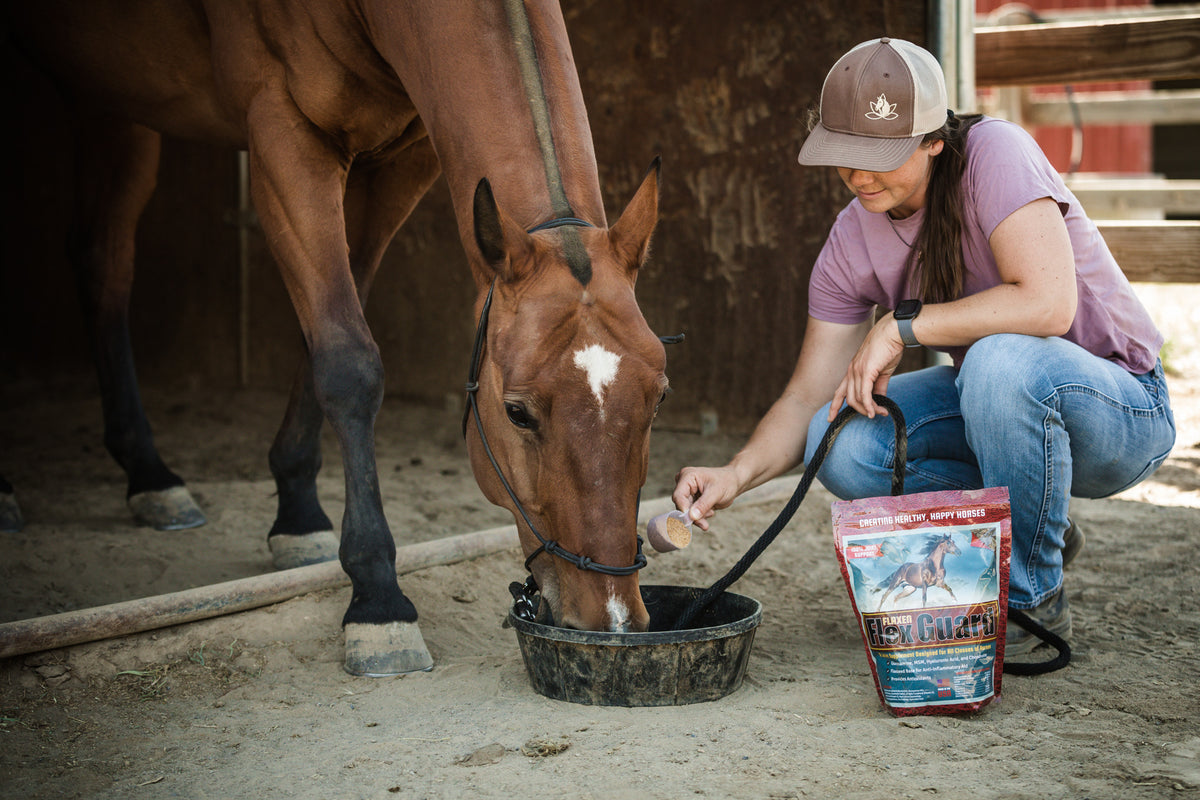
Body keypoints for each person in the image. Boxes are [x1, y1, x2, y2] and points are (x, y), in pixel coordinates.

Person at [671, 37, 1176, 659]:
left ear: (935, 138)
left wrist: (898, 326)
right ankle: (1032, 522)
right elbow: (806, 394)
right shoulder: (851, 237)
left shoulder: (996, 153)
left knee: (998, 358)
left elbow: (1048, 304)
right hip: (1005, 404)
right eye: (843, 154)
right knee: (840, 438)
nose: (858, 175)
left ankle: (1030, 604)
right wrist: (735, 473)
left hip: (1122, 411)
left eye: (878, 154)